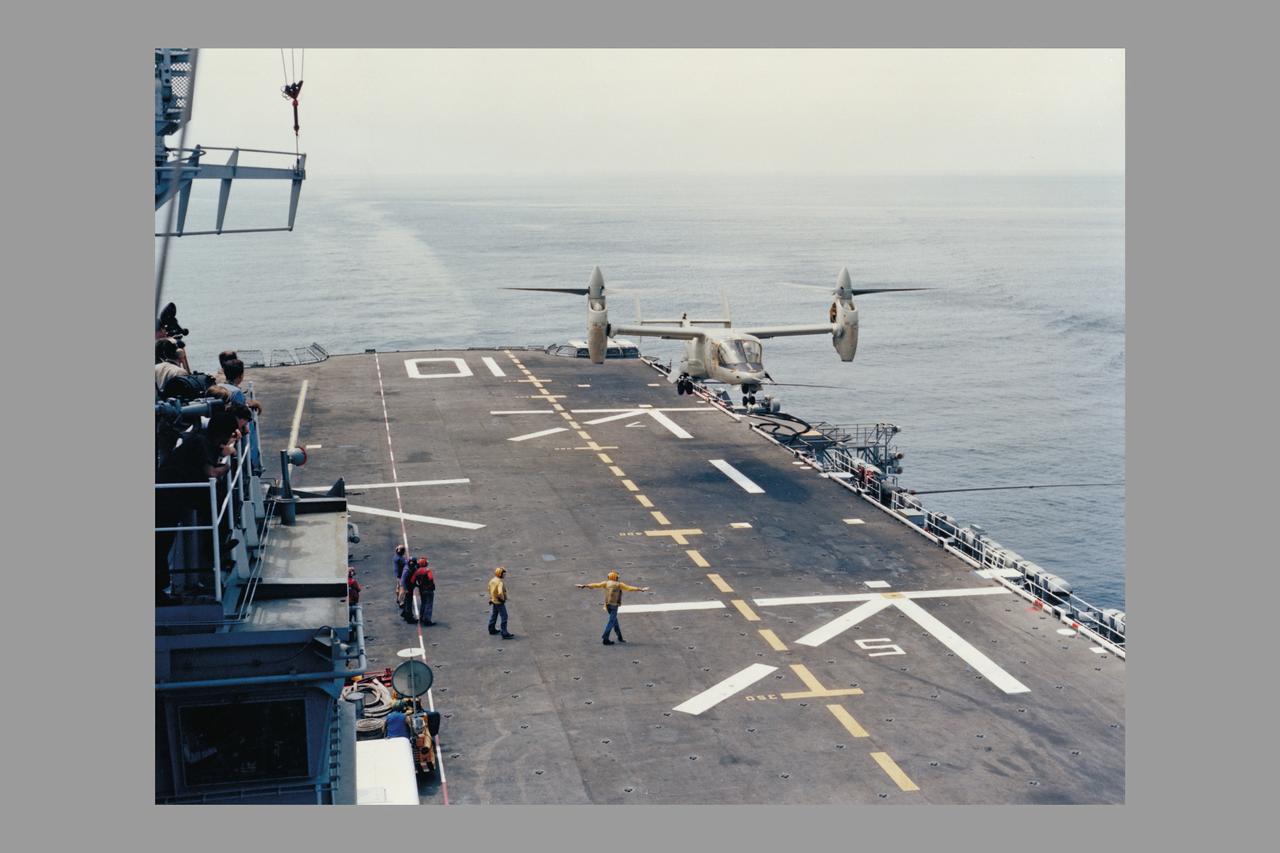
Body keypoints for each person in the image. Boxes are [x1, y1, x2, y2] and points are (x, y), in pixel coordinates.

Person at [577, 570, 650, 645]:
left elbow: (596, 585)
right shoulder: (619, 584)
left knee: (615, 621)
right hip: (614, 606)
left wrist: (584, 585)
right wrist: (640, 589)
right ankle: (605, 638)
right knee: (611, 622)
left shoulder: (606, 583)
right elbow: (629, 588)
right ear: (616, 577)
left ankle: (620, 637)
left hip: (608, 605)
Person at [405, 557, 436, 625]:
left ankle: (421, 617)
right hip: (428, 589)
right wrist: (431, 586)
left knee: (423, 603)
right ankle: (427, 620)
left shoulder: (417, 571)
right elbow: (431, 578)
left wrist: (418, 585)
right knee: (429, 604)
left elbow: (412, 581)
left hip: (422, 590)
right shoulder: (428, 570)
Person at [487, 567, 513, 639]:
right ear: (499, 574)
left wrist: (491, 598)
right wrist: (502, 599)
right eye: (503, 574)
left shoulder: (492, 580)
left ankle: (491, 629)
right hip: (499, 602)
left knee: (494, 615)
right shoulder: (500, 582)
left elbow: (489, 589)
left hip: (494, 601)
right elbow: (500, 592)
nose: (504, 575)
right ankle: (504, 633)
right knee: (504, 616)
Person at [393, 544, 410, 610]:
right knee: (402, 589)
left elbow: (397, 549)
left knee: (398, 586)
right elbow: (406, 564)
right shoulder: (401, 559)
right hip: (401, 575)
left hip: (397, 574)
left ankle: (398, 598)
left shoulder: (395, 557)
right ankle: (401, 602)